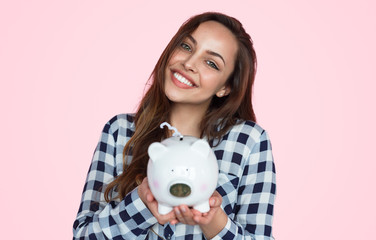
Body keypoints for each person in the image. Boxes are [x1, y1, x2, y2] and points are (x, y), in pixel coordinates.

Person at [73, 12, 276, 240]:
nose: (188, 64)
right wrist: (141, 204)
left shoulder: (248, 141)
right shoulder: (119, 131)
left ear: (225, 87)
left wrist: (215, 223)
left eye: (211, 63)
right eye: (187, 47)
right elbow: (83, 236)